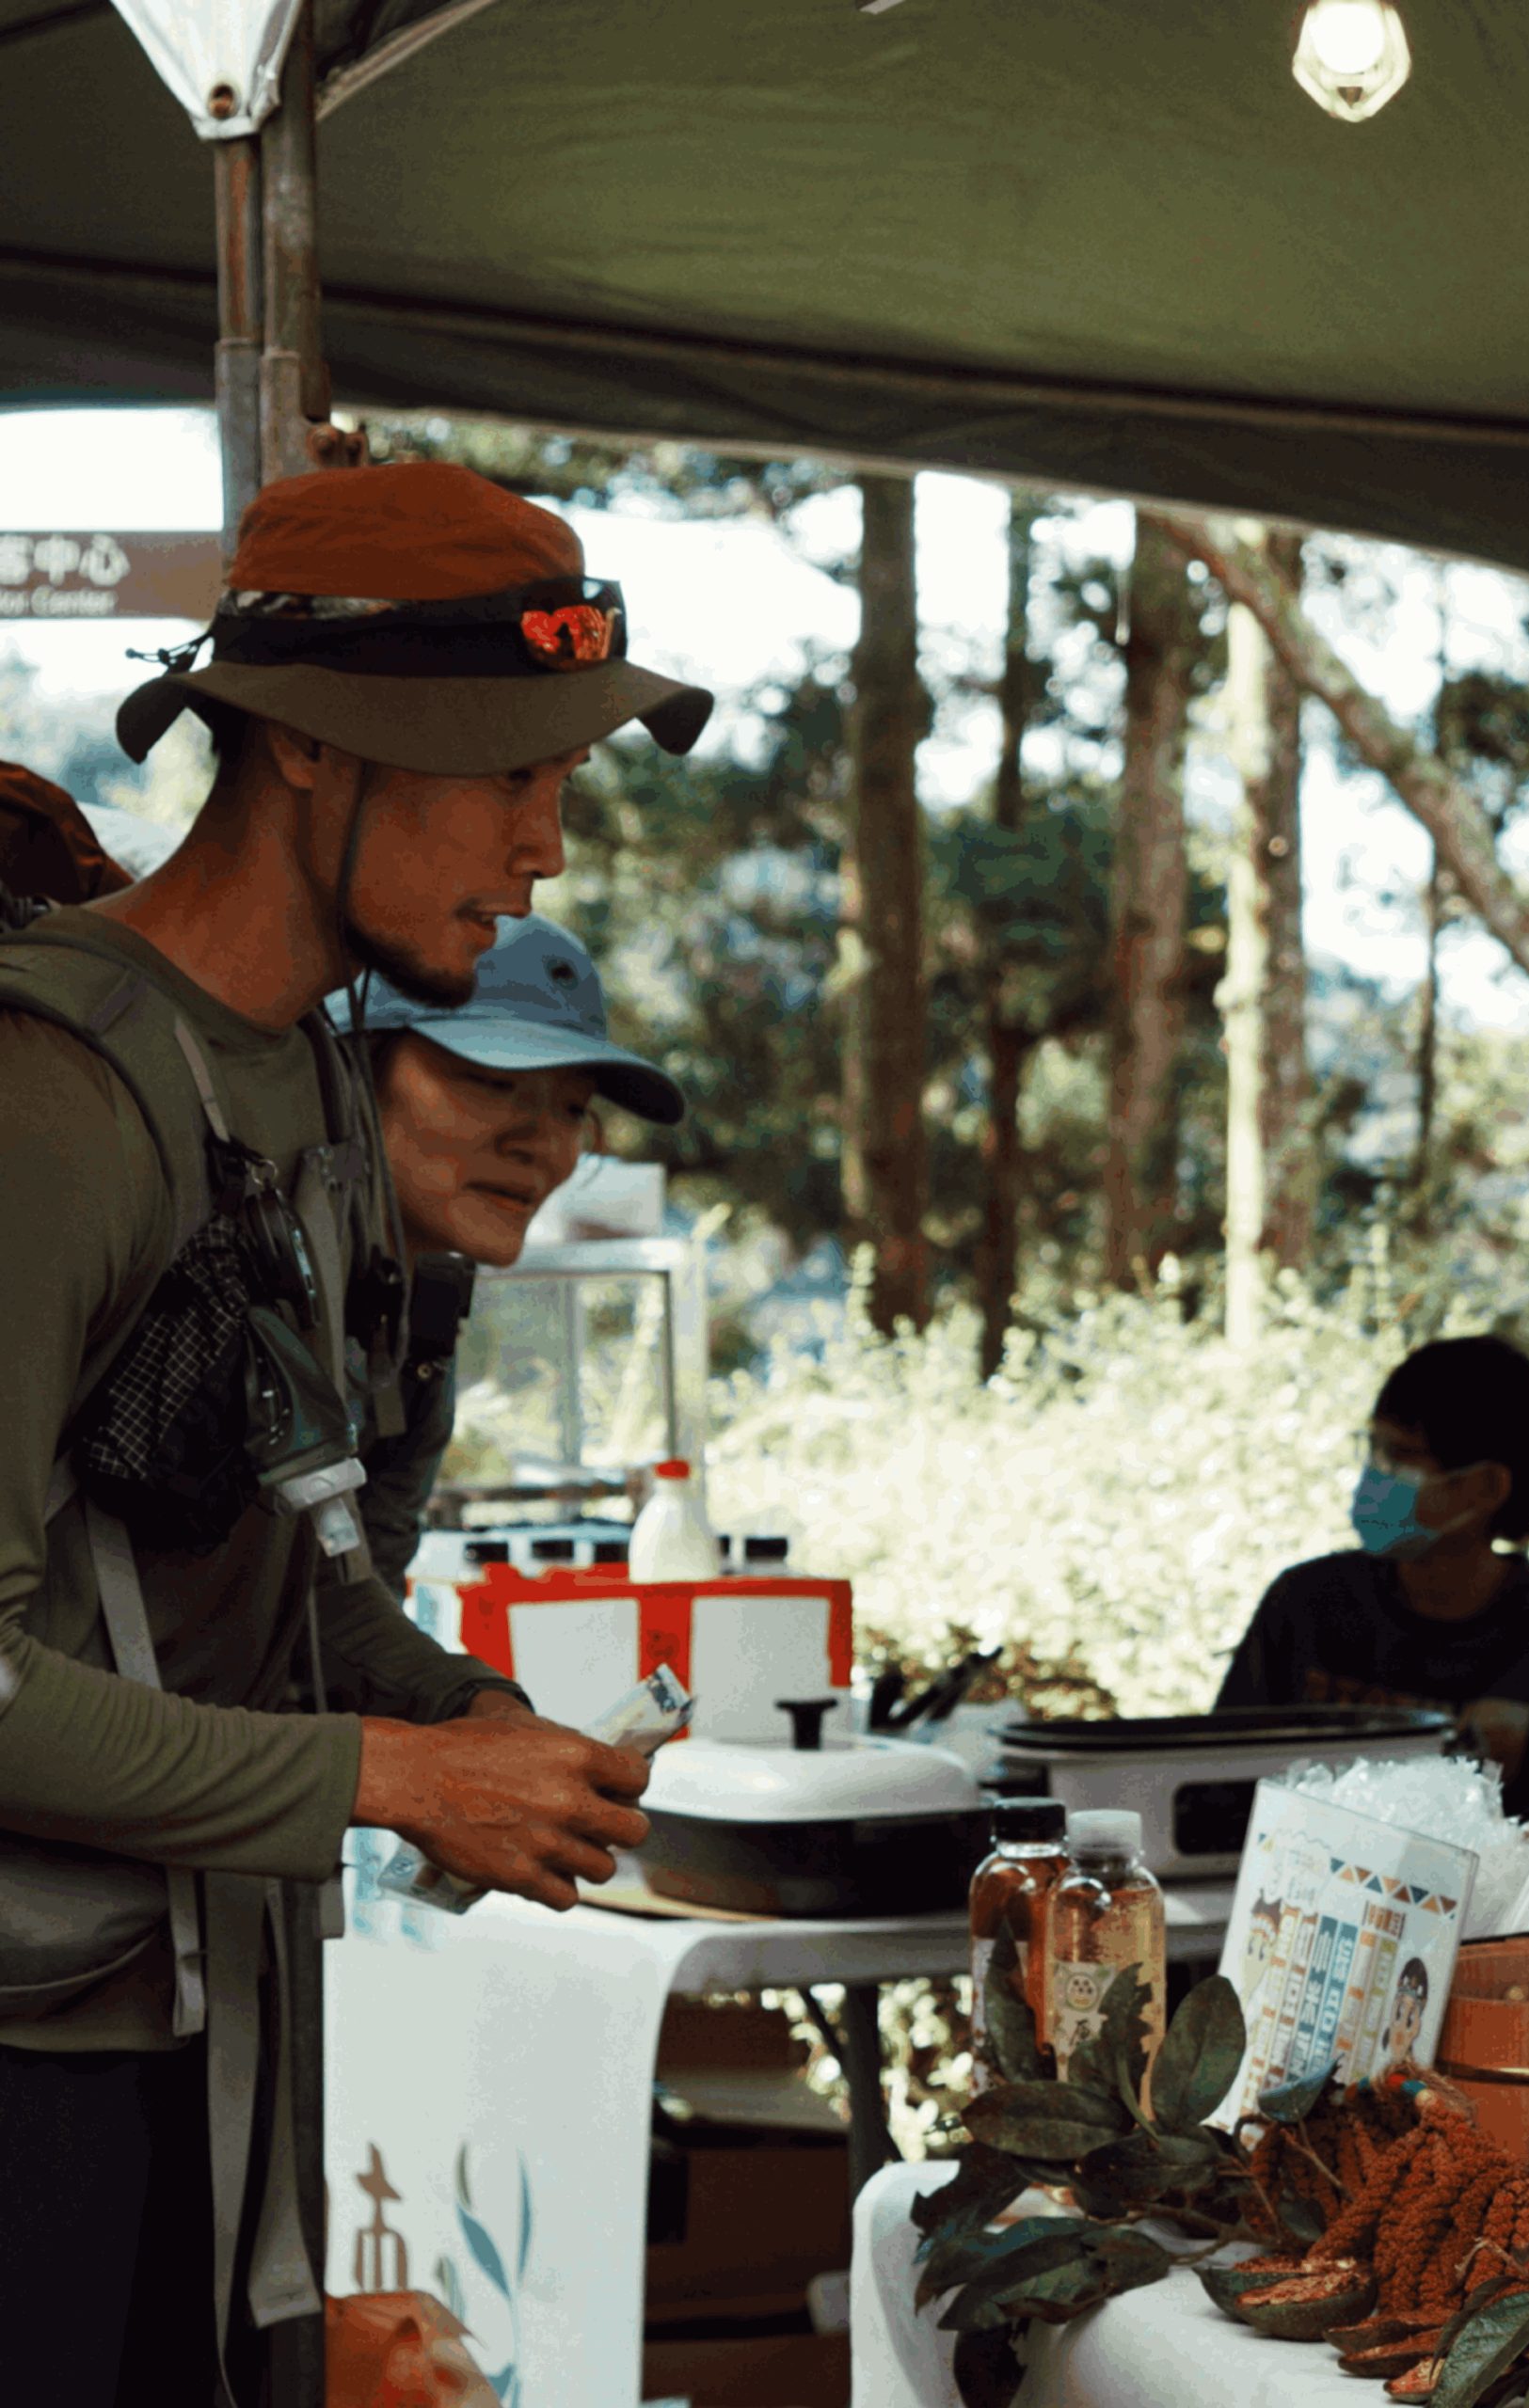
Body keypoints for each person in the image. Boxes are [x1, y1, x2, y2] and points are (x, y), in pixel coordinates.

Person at [0, 459, 713, 2402]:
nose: (547, 845)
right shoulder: (53, 1093)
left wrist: (471, 1722)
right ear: (315, 748)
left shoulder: (306, 1090)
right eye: (510, 774)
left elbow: (287, 1580)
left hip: (203, 2029)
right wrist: (389, 1770)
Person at [334, 912, 688, 1599]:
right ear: (352, 1068)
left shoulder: (425, 1307)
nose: (540, 1144)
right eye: (492, 1082)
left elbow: (358, 1596)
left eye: (571, 1109)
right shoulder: (249, 1278)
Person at [1215, 1333, 1529, 1821]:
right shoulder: (1305, 1605)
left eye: (1401, 1456)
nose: (1375, 1474)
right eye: (1374, 1450)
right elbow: (1215, 1782)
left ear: (1486, 1487)